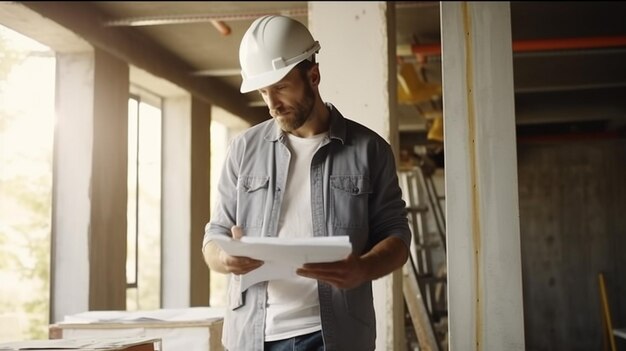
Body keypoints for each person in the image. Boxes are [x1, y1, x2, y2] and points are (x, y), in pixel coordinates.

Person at [202, 15, 411, 351]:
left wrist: (363, 268)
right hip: (255, 336)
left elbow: (397, 236)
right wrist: (226, 259)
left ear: (313, 76)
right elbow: (215, 236)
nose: (272, 105)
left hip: (335, 337)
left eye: (281, 87)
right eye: (264, 92)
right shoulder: (243, 149)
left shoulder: (370, 150)